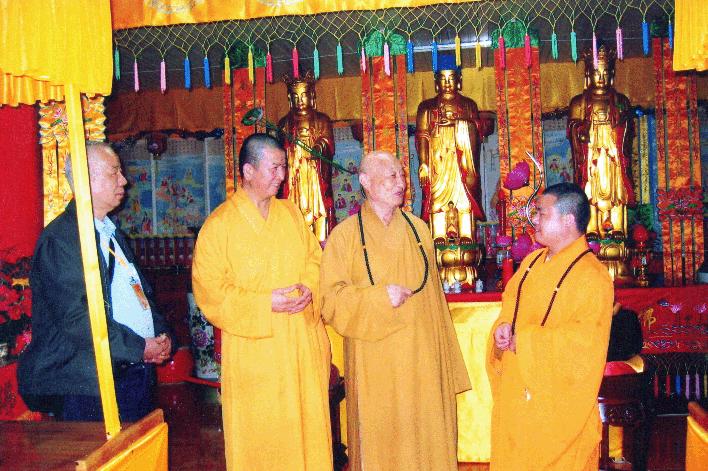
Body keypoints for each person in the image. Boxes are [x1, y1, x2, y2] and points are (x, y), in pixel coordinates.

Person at [320, 150, 471, 471]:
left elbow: (435, 303)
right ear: (365, 181)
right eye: (392, 176)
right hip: (374, 362)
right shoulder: (344, 237)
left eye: (402, 175)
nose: (401, 183)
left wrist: (445, 363)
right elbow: (330, 301)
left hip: (422, 358)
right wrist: (378, 298)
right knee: (381, 441)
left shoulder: (420, 230)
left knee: (426, 437)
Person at [192, 134, 332, 470]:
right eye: (274, 168)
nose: (282, 176)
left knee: (309, 435)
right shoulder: (219, 225)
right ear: (248, 171)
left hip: (300, 344)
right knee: (263, 438)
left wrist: (309, 287)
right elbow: (210, 292)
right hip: (256, 352)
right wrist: (264, 302)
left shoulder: (291, 213)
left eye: (284, 167)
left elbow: (315, 259)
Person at [18, 142, 173, 422]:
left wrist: (160, 335)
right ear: (86, 179)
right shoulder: (62, 239)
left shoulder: (109, 232)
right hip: (87, 383)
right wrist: (139, 347)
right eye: (115, 172)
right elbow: (79, 319)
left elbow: (141, 293)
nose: (123, 181)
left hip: (133, 371)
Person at [488, 182, 614, 470]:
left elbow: (584, 345)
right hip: (517, 396)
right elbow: (510, 305)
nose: (534, 219)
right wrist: (502, 329)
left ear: (568, 220)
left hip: (558, 410)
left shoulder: (593, 277)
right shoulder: (531, 262)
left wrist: (525, 341)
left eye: (542, 213)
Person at [415, 54, 485, 244]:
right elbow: (422, 136)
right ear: (436, 82)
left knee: (463, 198)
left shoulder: (469, 105)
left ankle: (466, 234)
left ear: (459, 81)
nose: (447, 83)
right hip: (437, 163)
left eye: (451, 78)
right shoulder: (426, 107)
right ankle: (438, 234)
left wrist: (458, 124)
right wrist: (424, 164)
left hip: (461, 162)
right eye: (443, 78)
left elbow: (477, 131)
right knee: (437, 199)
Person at [567, 45, 634, 240]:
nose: (601, 77)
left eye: (605, 72)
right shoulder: (579, 102)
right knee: (590, 190)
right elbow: (572, 127)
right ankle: (591, 228)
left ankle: (618, 227)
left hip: (613, 156)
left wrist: (619, 125)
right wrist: (581, 132)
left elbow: (628, 129)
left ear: (612, 74)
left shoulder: (621, 101)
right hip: (591, 156)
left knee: (617, 190)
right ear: (588, 73)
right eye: (597, 72)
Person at [278, 70, 336, 244]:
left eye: (303, 96)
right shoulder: (284, 123)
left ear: (312, 97)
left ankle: (320, 241)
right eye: (295, 97)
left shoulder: (322, 120)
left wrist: (318, 148)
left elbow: (327, 142)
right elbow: (279, 151)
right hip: (294, 175)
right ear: (289, 99)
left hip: (314, 175)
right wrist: (291, 148)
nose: (300, 100)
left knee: (318, 208)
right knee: (293, 208)